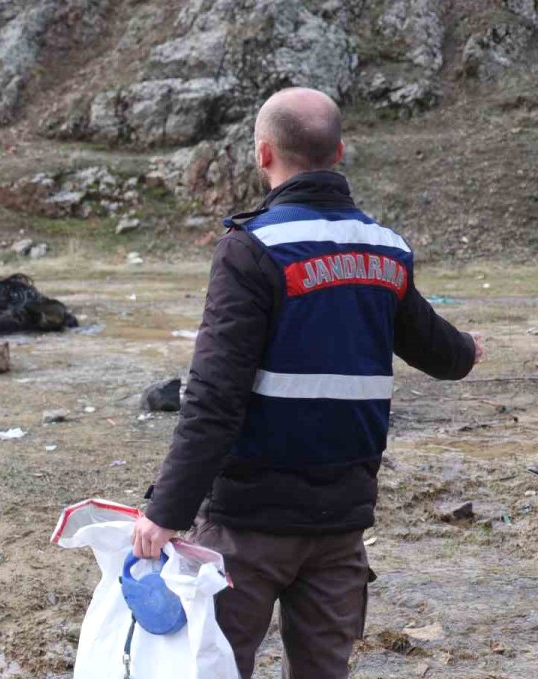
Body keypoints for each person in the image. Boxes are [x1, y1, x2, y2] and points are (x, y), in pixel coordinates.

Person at [131, 87, 484, 679]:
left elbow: (215, 399)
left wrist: (166, 511)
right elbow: (438, 350)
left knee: (212, 667)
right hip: (341, 526)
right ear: (339, 152)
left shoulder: (251, 250)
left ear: (262, 154)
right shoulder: (386, 252)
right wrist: (469, 350)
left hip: (248, 525)